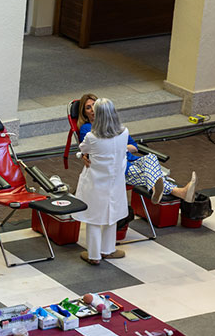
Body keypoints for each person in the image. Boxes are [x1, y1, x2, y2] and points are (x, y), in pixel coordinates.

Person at [76, 93, 196, 204]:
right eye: (88, 107)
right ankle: (176, 191)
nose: (92, 110)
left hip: (131, 159)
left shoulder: (115, 126)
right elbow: (89, 150)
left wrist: (119, 147)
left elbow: (134, 147)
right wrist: (118, 147)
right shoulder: (87, 129)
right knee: (147, 174)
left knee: (151, 158)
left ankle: (156, 188)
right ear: (84, 113)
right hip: (117, 167)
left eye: (94, 105)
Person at [73, 97, 130, 265]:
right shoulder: (124, 132)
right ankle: (108, 250)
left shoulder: (91, 137)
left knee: (94, 219)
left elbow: (83, 149)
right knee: (112, 216)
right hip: (116, 181)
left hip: (96, 183)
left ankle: (94, 255)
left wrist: (83, 155)